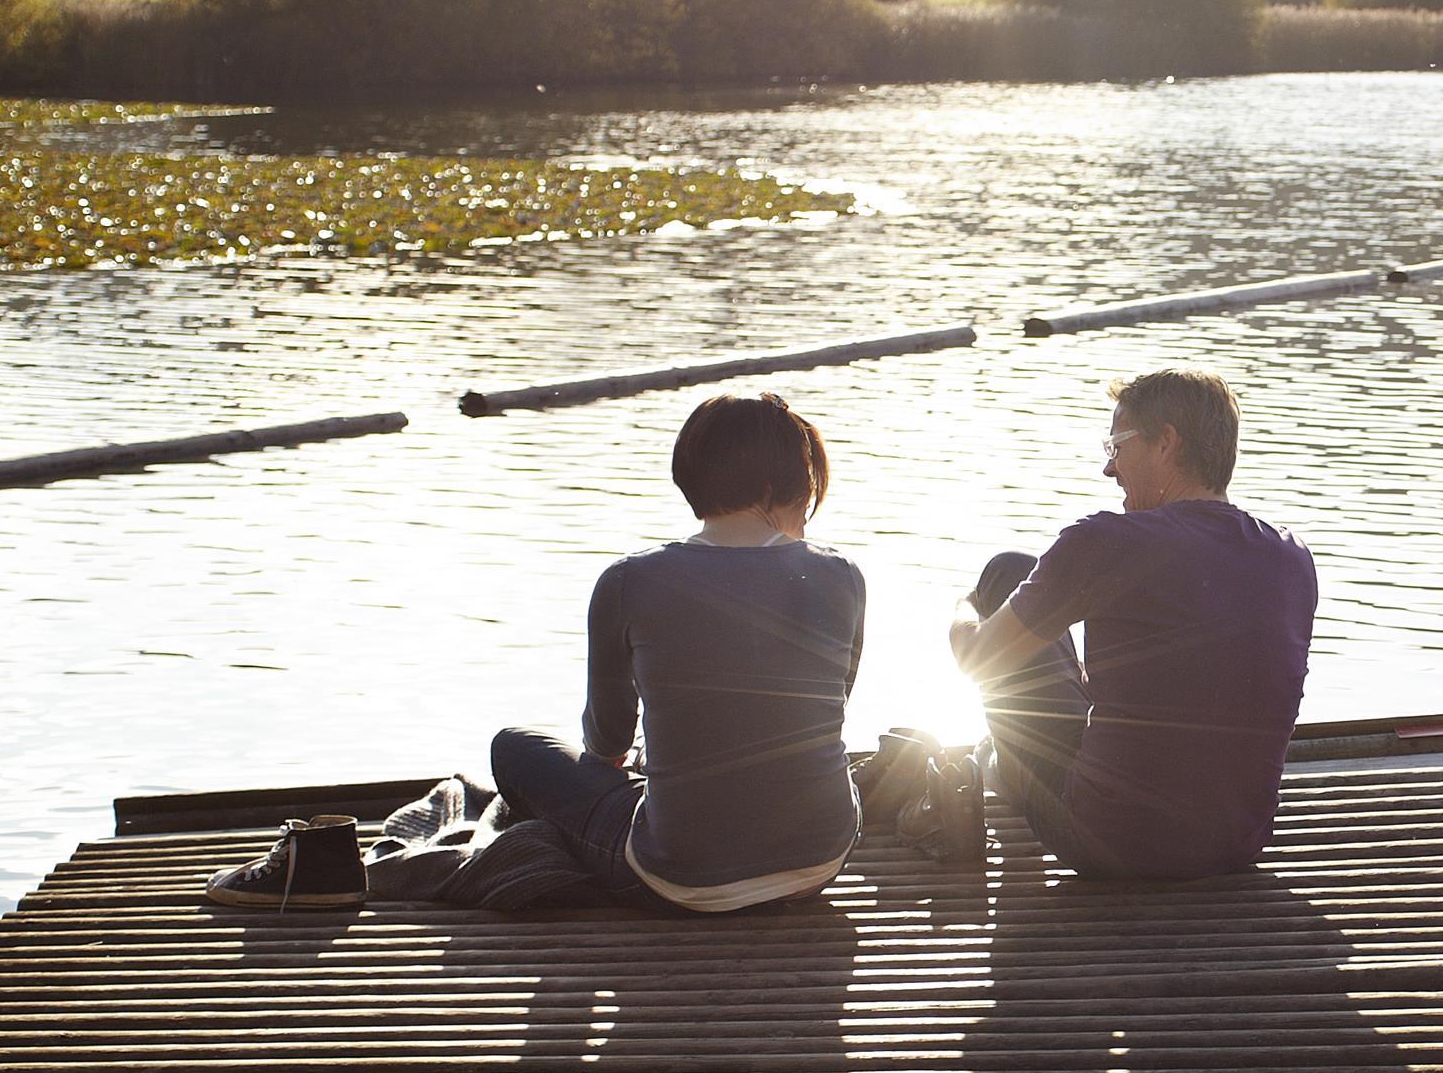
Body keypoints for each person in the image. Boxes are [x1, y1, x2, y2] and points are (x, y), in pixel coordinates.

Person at [204, 392, 869, 914]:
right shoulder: (843, 576)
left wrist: (629, 770)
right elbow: (821, 710)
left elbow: (608, 739)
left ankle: (388, 860)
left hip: (679, 879)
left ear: (695, 477)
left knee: (513, 748)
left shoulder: (629, 580)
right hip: (820, 858)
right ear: (788, 484)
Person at [949, 367, 1317, 880]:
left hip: (1112, 843)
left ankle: (998, 766)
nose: (1109, 469)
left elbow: (977, 659)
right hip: (1235, 845)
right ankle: (999, 764)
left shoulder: (1106, 542)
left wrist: (964, 609)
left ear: (1165, 443)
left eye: (1117, 446)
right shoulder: (1291, 556)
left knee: (1005, 573)